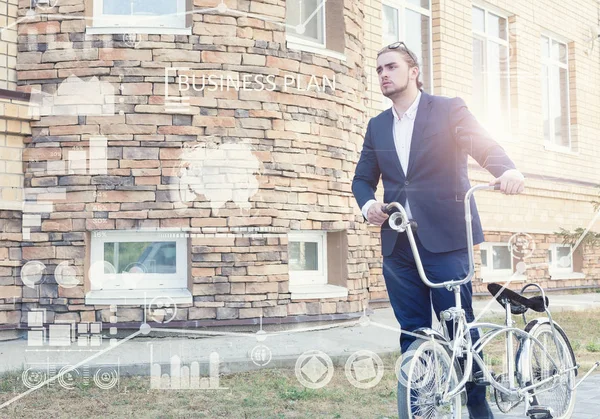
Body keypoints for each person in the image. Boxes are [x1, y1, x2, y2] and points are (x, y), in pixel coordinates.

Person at [352, 42, 525, 419]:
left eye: (391, 67)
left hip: (445, 238)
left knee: (458, 330)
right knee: (413, 332)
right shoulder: (377, 126)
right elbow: (363, 179)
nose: (383, 74)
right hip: (399, 244)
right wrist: (368, 207)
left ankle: (478, 407)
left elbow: (480, 143)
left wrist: (506, 169)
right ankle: (421, 408)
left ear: (413, 70)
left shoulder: (447, 109)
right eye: (378, 69)